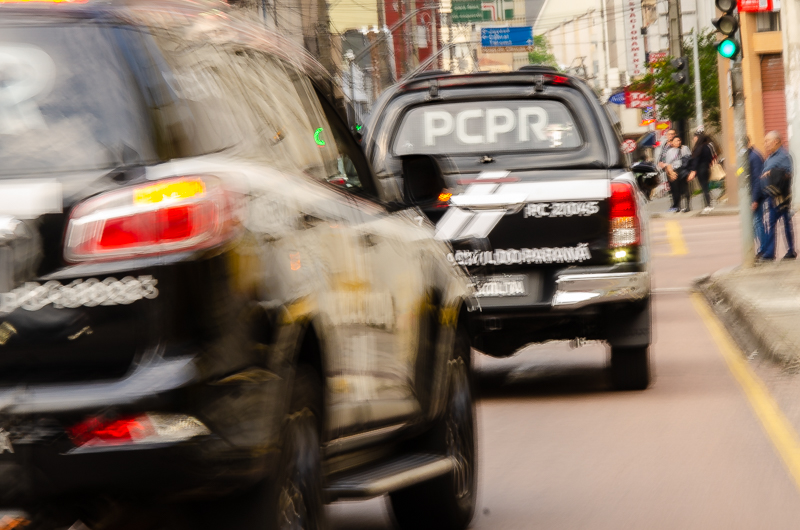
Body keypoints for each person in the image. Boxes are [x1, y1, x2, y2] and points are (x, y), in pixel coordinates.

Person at [760, 131, 795, 260]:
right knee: (782, 223)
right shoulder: (770, 157)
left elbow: (788, 173)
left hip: (781, 196)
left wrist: (771, 173)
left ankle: (770, 254)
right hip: (771, 195)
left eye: (767, 141)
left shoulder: (783, 156)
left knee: (778, 223)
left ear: (776, 141)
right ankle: (789, 251)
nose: (765, 144)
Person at [687, 127, 716, 213]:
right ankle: (709, 203)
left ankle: (708, 205)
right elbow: (711, 157)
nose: (693, 139)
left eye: (695, 137)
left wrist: (693, 171)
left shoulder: (699, 148)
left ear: (698, 138)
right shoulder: (708, 146)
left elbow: (696, 160)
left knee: (704, 187)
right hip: (707, 168)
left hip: (701, 169)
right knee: (706, 186)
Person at [747, 136, 766, 257]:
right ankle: (761, 249)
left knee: (757, 222)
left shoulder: (754, 156)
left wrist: (755, 199)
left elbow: (757, 179)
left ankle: (764, 249)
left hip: (756, 195)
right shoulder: (748, 156)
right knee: (753, 223)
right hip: (751, 194)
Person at [663, 135, 692, 212]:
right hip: (675, 170)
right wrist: (671, 173)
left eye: (679, 140)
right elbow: (668, 163)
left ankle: (688, 206)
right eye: (676, 141)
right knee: (676, 189)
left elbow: (689, 159)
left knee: (685, 188)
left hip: (683, 169)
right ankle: (678, 206)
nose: (678, 142)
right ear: (672, 142)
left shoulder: (685, 148)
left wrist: (690, 171)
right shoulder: (669, 151)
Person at [657, 129, 677, 210]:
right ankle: (674, 204)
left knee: (675, 187)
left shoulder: (675, 144)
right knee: (670, 188)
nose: (671, 136)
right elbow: (662, 154)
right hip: (666, 169)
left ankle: (676, 204)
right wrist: (660, 162)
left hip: (672, 168)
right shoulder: (665, 144)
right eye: (669, 134)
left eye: (672, 134)